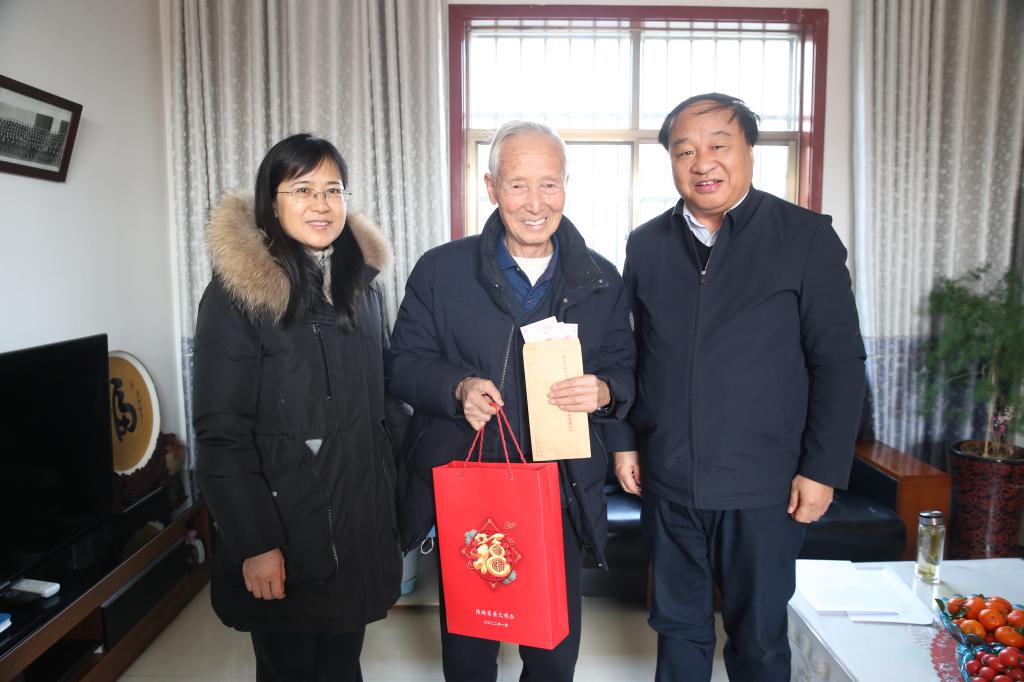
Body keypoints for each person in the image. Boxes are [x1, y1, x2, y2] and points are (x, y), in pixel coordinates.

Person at [612, 94, 866, 681]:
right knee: (677, 631)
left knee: (758, 640)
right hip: (669, 479)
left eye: (719, 145)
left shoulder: (804, 237)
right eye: (685, 151)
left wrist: (822, 469)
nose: (703, 163)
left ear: (750, 150)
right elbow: (629, 353)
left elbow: (839, 362)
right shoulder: (646, 245)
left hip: (764, 486)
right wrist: (624, 441)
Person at [388, 120, 635, 682]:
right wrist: (456, 387)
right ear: (491, 187)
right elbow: (402, 365)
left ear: (566, 186)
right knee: (470, 652)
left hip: (560, 490)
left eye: (549, 184)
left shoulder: (601, 278)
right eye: (518, 185)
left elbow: (624, 369)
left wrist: (604, 390)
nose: (535, 203)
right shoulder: (441, 270)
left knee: (553, 656)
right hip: (470, 490)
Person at [193, 133, 402, 682]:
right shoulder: (238, 295)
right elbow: (221, 433)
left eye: (333, 190)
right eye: (303, 189)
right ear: (272, 200)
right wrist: (256, 543)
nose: (321, 204)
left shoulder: (362, 287)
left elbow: (382, 406)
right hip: (286, 530)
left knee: (342, 667)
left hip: (356, 526)